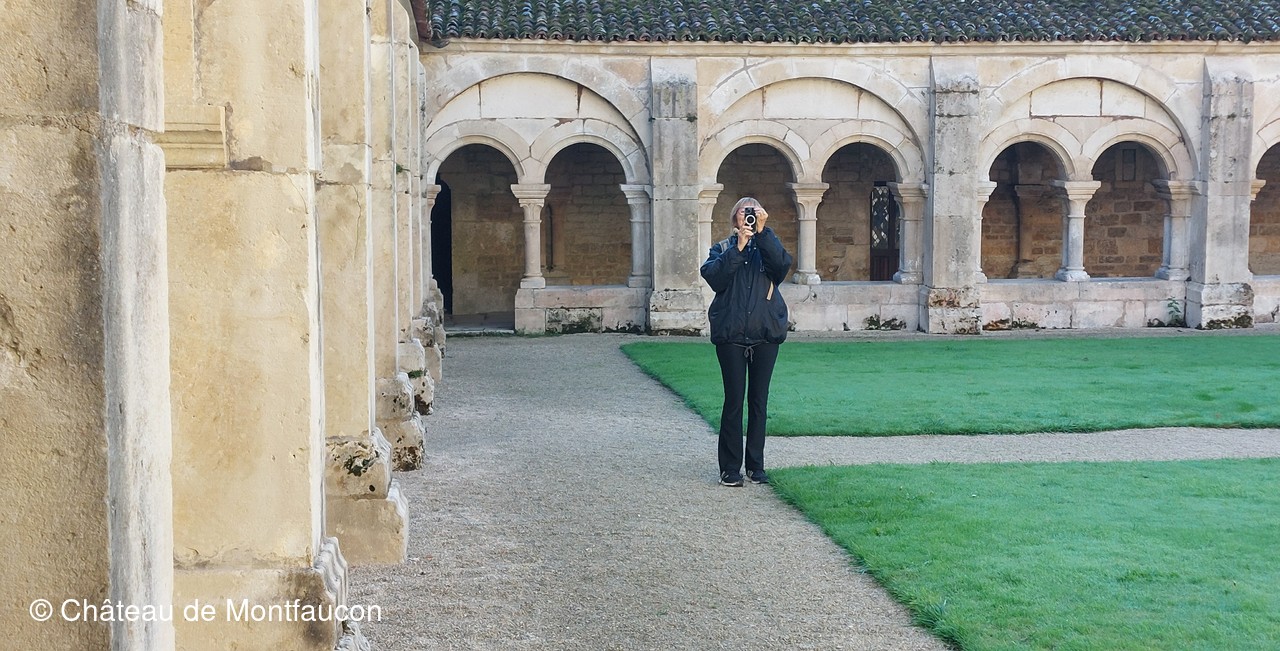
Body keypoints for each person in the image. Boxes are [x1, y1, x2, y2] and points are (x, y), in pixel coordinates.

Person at [699, 197, 793, 487]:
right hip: (732, 334)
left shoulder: (768, 246)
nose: (749, 215)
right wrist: (739, 247)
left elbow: (782, 267)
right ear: (735, 218)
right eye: (744, 211)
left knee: (759, 401)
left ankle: (756, 466)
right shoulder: (722, 248)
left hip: (765, 333)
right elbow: (714, 278)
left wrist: (763, 234)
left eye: (754, 211)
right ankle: (730, 469)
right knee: (733, 401)